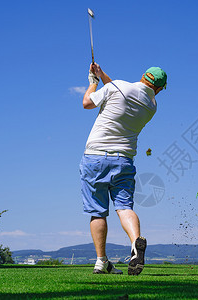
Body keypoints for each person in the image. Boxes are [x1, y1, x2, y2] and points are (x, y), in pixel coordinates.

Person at [80, 62, 167, 275]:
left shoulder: (116, 87)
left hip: (95, 158)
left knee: (97, 212)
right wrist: (103, 75)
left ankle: (101, 261)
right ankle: (135, 243)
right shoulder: (151, 106)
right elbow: (122, 92)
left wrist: (93, 82)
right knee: (124, 207)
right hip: (124, 161)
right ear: (158, 89)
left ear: (143, 75)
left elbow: (87, 103)